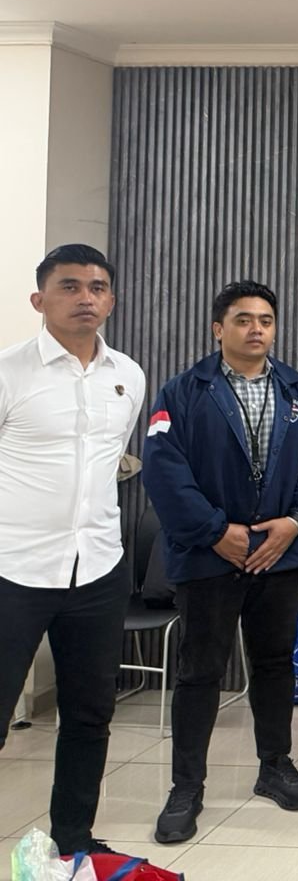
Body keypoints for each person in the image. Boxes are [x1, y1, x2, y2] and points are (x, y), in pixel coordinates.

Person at [143, 281, 298, 843]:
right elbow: (164, 472)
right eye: (244, 319)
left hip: (279, 554)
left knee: (273, 664)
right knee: (200, 671)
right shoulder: (183, 391)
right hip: (209, 558)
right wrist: (215, 532)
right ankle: (186, 788)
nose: (256, 329)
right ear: (218, 328)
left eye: (266, 320)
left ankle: (275, 767)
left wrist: (296, 521)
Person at [0, 245, 145, 857]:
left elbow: (111, 463)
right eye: (69, 286)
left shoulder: (128, 375)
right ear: (39, 299)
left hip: (99, 569)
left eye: (97, 287)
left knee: (89, 714)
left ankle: (74, 840)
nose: (86, 297)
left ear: (111, 300)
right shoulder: (10, 372)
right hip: (14, 569)